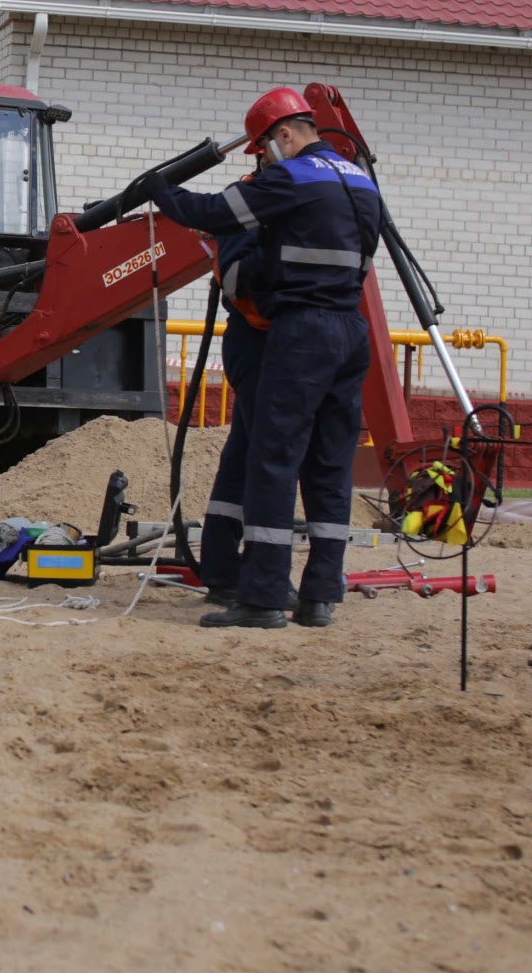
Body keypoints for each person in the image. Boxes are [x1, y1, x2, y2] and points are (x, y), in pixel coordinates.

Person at [149, 87, 382, 629]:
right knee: (329, 468)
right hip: (352, 331)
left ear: (283, 136)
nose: (264, 160)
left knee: (273, 461)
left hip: (303, 332)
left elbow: (212, 213)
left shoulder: (291, 177)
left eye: (264, 149)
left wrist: (159, 188)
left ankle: (264, 598)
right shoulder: (362, 182)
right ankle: (321, 596)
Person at [196, 218, 269, 608]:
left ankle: (223, 570)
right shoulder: (264, 199)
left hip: (256, 340)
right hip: (261, 340)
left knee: (243, 456)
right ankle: (255, 577)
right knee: (266, 459)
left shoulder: (268, 197)